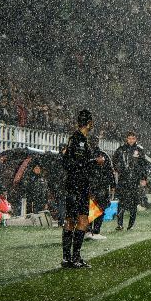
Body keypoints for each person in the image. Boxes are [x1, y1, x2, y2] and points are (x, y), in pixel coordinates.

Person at [61, 109, 96, 268]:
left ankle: (66, 258)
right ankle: (75, 258)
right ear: (89, 123)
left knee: (69, 219)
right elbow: (78, 164)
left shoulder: (72, 139)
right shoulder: (80, 140)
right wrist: (95, 162)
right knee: (82, 219)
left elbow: (66, 163)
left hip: (71, 184)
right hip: (79, 184)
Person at [112, 131, 148, 231]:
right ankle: (120, 224)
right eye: (129, 138)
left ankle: (130, 225)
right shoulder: (121, 149)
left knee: (134, 203)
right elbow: (114, 161)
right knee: (121, 202)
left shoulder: (139, 150)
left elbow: (143, 165)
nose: (131, 140)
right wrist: (119, 169)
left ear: (135, 139)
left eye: (133, 138)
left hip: (135, 180)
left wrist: (144, 178)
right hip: (123, 180)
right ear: (126, 139)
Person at [88, 151, 115, 240]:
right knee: (93, 209)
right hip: (94, 187)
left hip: (99, 187)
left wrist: (112, 184)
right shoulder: (93, 155)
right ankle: (92, 231)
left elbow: (110, 171)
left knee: (97, 208)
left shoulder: (103, 155)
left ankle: (92, 231)